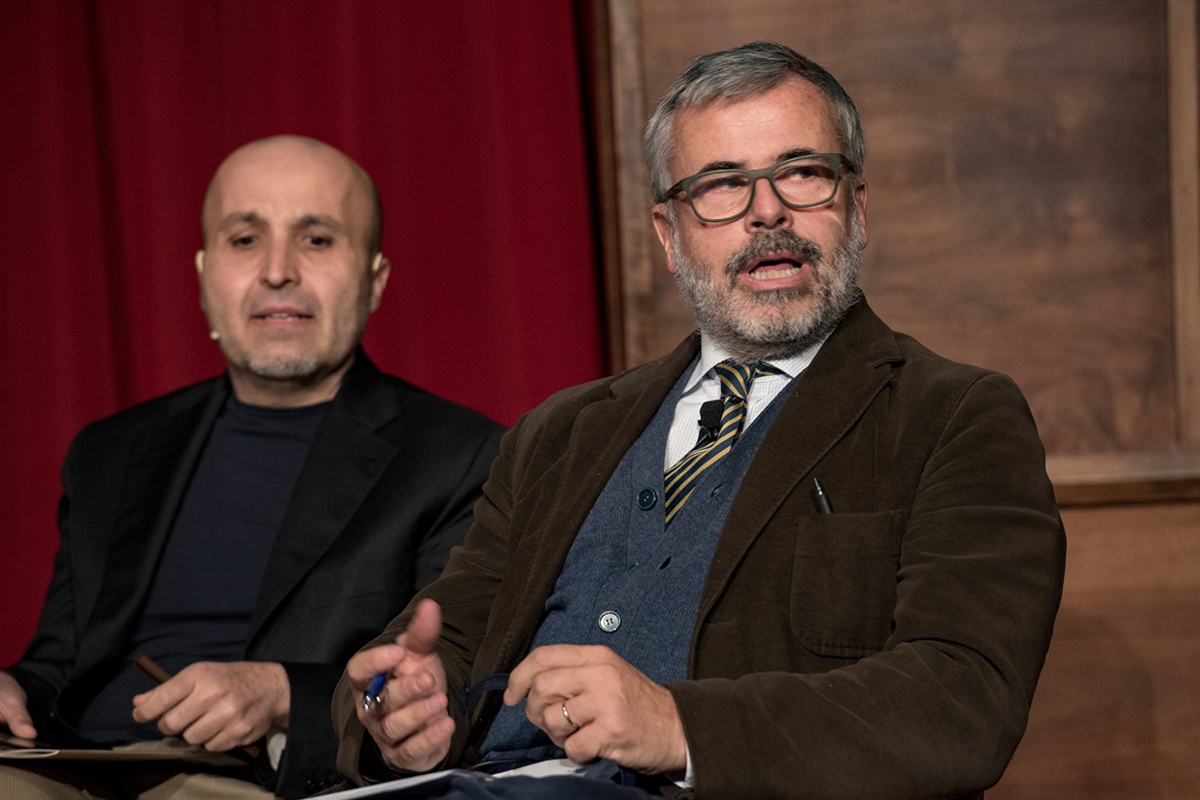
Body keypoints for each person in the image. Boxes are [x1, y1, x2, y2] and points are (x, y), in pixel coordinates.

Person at [332, 43, 1066, 800]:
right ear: (669, 234)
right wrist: (400, 709)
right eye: (721, 184)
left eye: (802, 173)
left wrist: (676, 726)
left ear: (856, 205)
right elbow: (441, 644)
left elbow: (960, 700)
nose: (767, 211)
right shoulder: (560, 432)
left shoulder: (954, 416)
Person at [0, 135, 504, 799]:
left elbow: (446, 685)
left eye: (316, 239)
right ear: (205, 275)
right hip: (65, 763)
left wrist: (281, 694)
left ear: (375, 280)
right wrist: (13, 689)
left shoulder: (458, 456)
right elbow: (59, 666)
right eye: (245, 240)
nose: (277, 271)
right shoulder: (109, 452)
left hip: (261, 778)